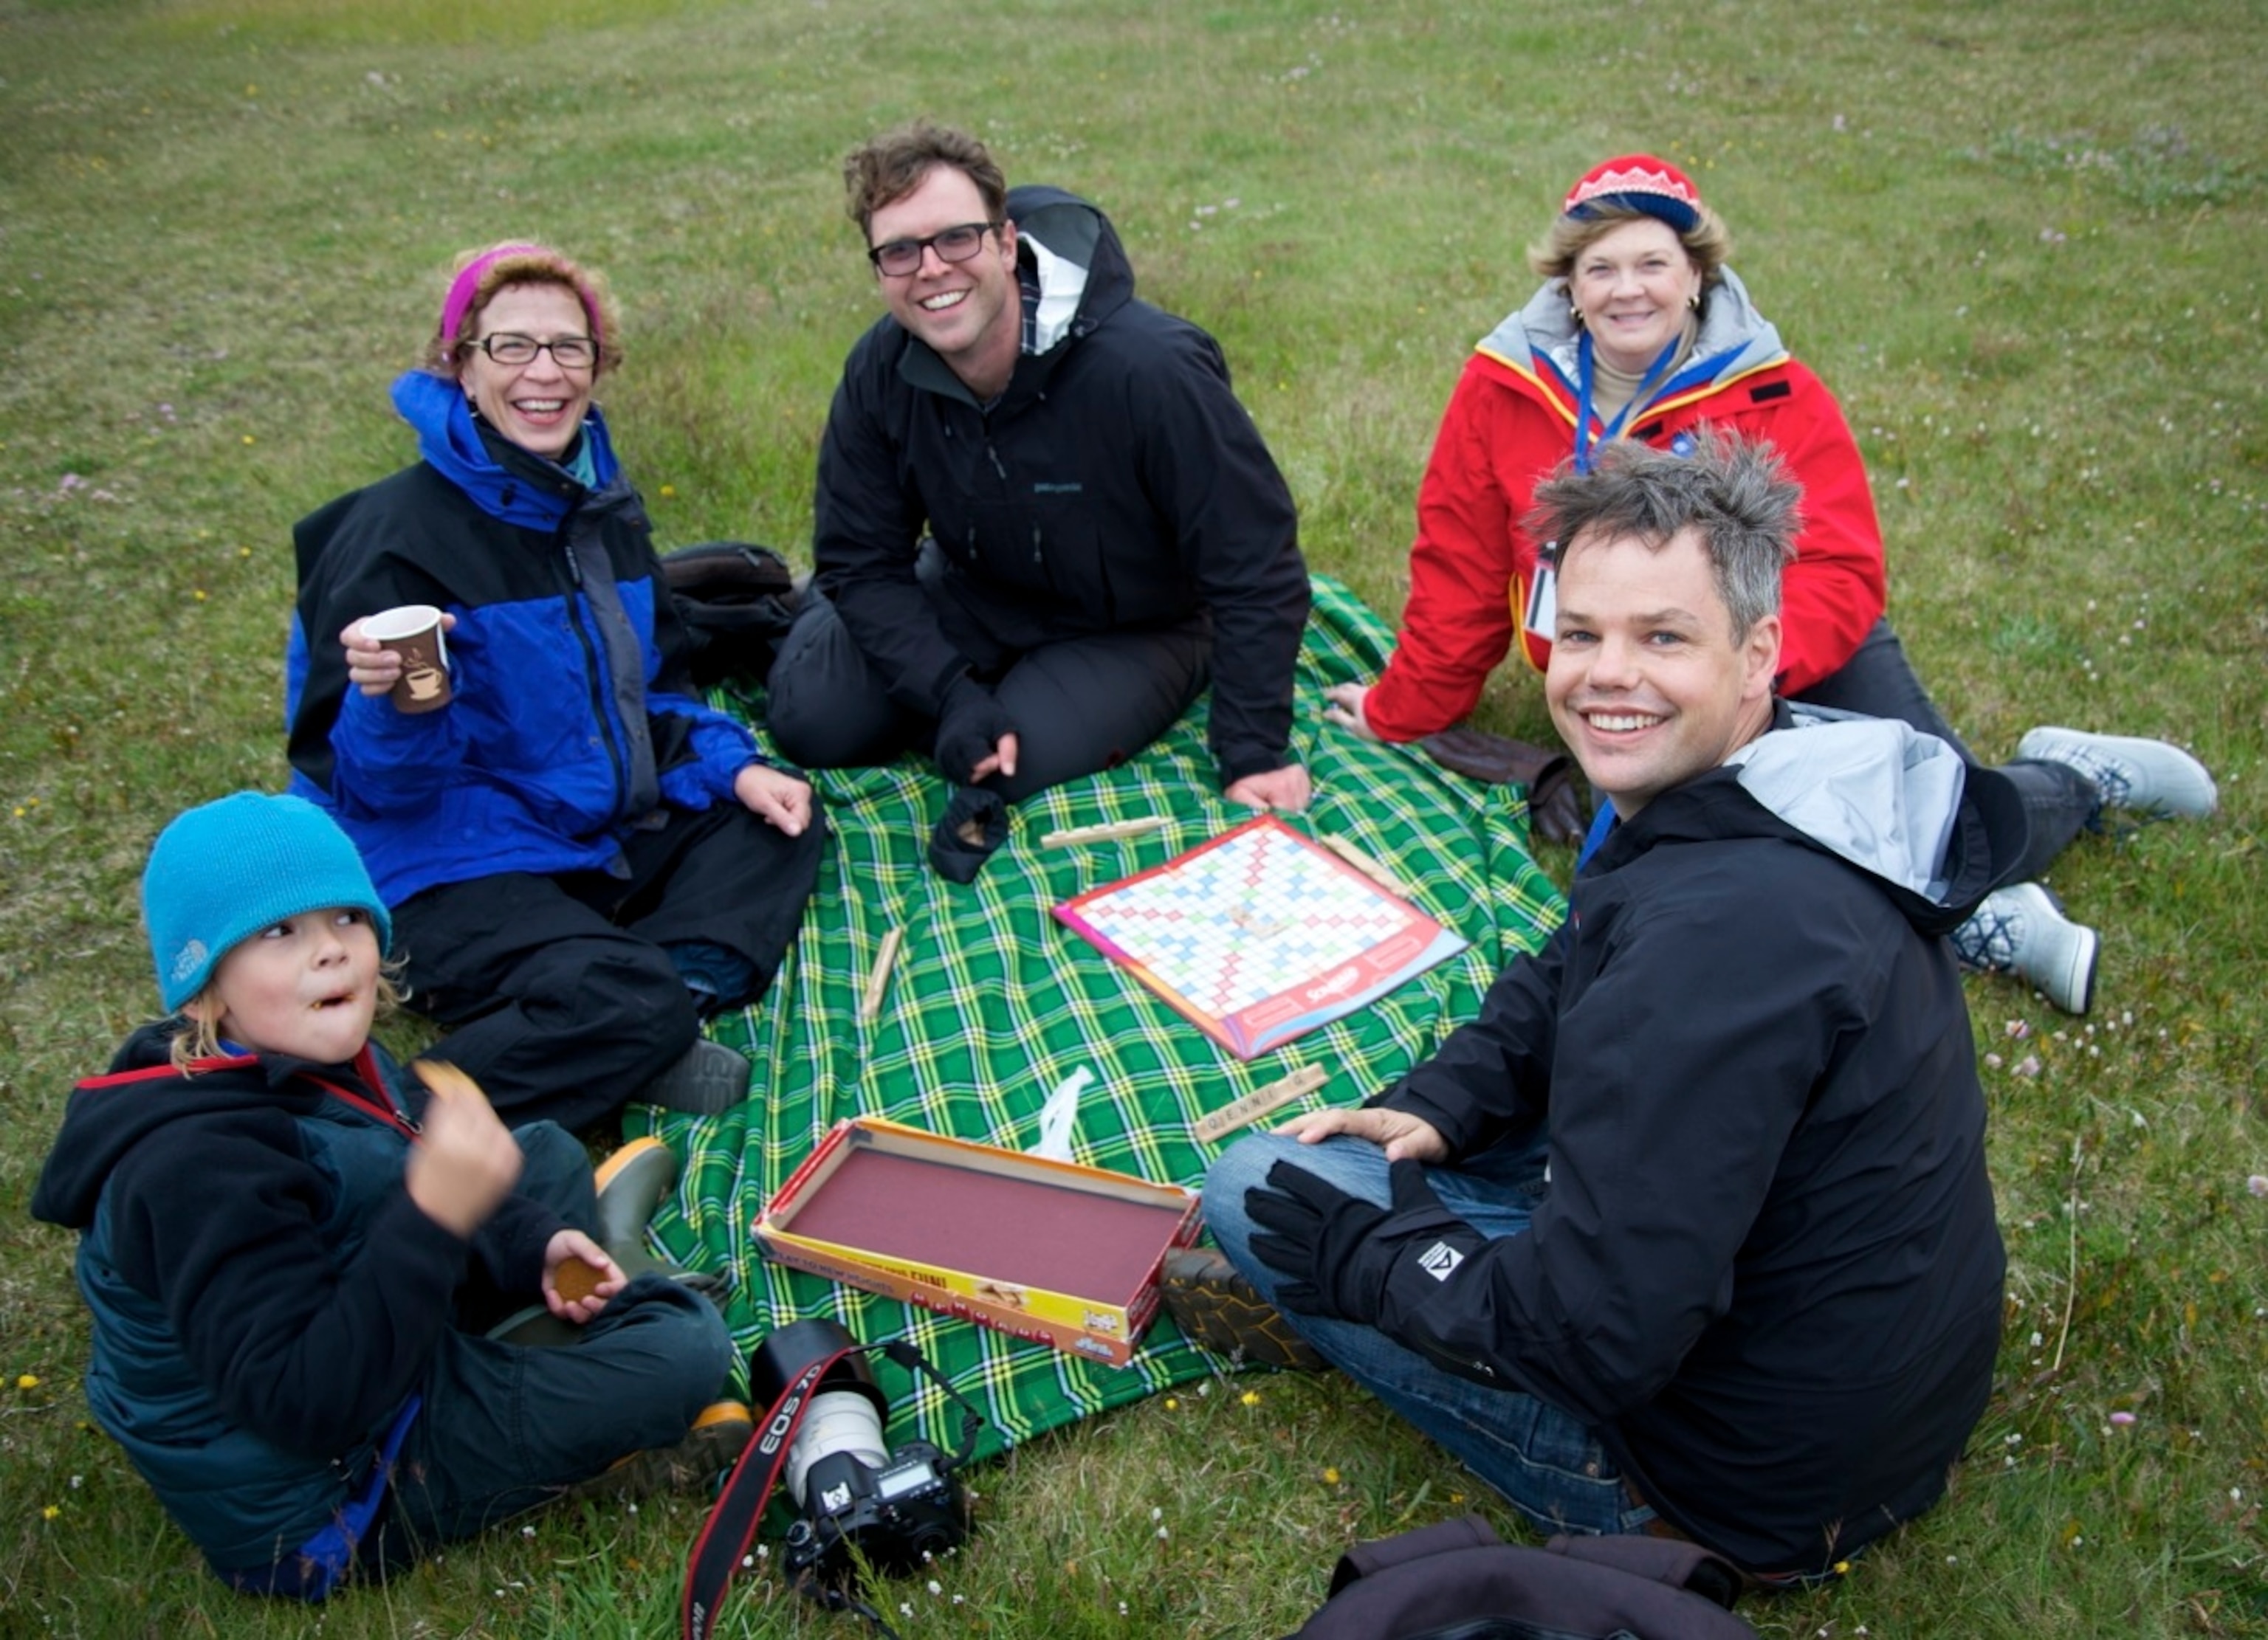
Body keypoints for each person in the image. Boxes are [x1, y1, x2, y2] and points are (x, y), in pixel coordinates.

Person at [1168, 435, 2012, 1581]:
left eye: (1663, 636)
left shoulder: (1711, 949)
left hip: (1733, 1484)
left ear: (1759, 650)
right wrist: (1444, 1102)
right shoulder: (1798, 779)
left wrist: (1379, 1263)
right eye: (1582, 634)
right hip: (1871, 1374)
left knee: (1263, 1185)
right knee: (1456, 1137)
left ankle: (1342, 1314)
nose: (1607, 675)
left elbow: (1594, 1343)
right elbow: (1578, 960)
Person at [1321, 154, 2215, 1013]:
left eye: (1652, 263)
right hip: (1632, 679)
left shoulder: (1773, 391)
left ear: (1698, 274)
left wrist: (1739, 677)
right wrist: (1405, 706)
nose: (1627, 288)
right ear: (1568, 286)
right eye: (1601, 268)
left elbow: (1842, 567)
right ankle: (1975, 907)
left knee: (1934, 804)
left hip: (1788, 650)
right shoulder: (1499, 391)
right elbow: (1461, 571)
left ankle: (2072, 784)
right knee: (1739, 843)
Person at [30, 793, 750, 1598]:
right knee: (685, 1348)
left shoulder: (296, 1042)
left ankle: (570, 1280)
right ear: (208, 984)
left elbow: (398, 1150)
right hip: (332, 1485)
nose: (331, 952)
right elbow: (305, 1404)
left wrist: (532, 1239)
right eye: (278, 931)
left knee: (539, 1152)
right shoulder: (196, 1167)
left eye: (346, 917)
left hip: (362, 1321)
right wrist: (434, 1213)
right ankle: (598, 1337)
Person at [286, 243, 825, 1129]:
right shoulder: (392, 536)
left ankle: (626, 1010)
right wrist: (385, 703)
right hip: (445, 859)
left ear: (598, 365)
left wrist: (732, 768)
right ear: (458, 364)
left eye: (569, 348)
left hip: (583, 827)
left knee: (781, 817)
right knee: (623, 994)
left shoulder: (600, 513)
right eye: (511, 347)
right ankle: (374, 1131)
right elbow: (375, 790)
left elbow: (651, 691)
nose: (545, 372)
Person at [766, 121, 1313, 881]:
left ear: (1005, 239)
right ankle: (838, 638)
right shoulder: (880, 371)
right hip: (971, 584)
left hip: (1135, 620)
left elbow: (1256, 559)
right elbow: (860, 558)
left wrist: (1254, 750)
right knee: (809, 720)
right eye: (899, 250)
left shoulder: (1149, 370)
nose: (930, 270)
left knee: (1006, 764)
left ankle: (1108, 679)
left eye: (956, 238)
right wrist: (949, 691)